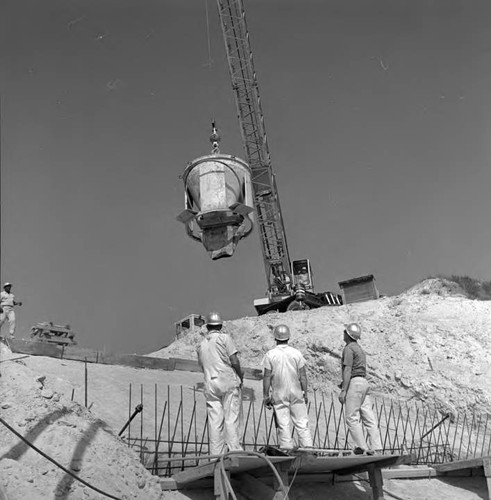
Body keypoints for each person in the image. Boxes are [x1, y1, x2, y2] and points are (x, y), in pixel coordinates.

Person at [197, 311, 244, 455]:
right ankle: (234, 451)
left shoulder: (201, 345)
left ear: (207, 326)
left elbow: (201, 365)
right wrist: (240, 375)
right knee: (231, 418)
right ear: (221, 325)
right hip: (227, 380)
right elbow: (234, 360)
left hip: (210, 383)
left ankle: (216, 455)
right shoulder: (224, 338)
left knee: (215, 421)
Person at [262, 324, 313, 449]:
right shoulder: (296, 353)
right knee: (301, 422)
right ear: (288, 338)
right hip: (296, 391)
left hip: (279, 392)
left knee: (283, 423)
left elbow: (267, 376)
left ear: (275, 338)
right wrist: (305, 392)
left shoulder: (270, 354)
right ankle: (308, 449)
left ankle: (286, 449)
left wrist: (265, 395)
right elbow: (302, 376)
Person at [338, 323, 382, 454]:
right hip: (364, 382)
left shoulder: (349, 348)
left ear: (348, 335)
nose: (343, 334)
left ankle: (361, 447)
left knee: (351, 417)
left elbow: (348, 369)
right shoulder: (359, 348)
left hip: (355, 383)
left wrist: (344, 390)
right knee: (368, 417)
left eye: (345, 332)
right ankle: (377, 447)